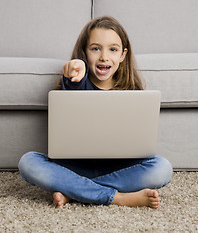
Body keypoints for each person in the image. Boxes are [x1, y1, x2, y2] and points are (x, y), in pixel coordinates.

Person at [18, 16, 173, 209]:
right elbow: (73, 78)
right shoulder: (77, 81)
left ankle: (74, 192)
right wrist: (75, 70)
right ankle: (117, 197)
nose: (104, 57)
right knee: (28, 162)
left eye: (113, 49)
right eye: (95, 48)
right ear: (85, 52)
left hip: (119, 169)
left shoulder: (131, 91)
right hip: (74, 167)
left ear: (123, 55)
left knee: (162, 168)